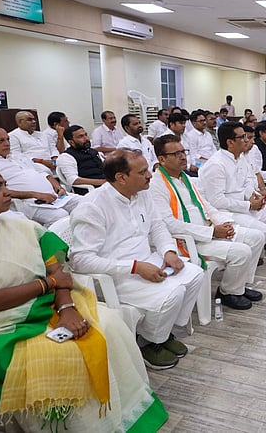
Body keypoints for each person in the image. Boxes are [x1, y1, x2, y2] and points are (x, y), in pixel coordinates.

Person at [0, 162, 168, 431]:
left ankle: (124, 415)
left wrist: (68, 308)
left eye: (5, 184)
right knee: (60, 353)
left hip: (45, 304)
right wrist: (49, 285)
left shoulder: (19, 226)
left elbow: (58, 267)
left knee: (109, 324)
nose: (8, 192)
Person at [70, 149, 204, 370]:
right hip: (115, 275)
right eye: (142, 172)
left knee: (194, 275)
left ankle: (162, 333)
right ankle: (148, 343)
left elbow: (157, 226)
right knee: (173, 293)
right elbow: (80, 261)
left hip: (148, 261)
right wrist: (134, 267)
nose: (150, 175)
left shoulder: (141, 193)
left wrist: (169, 252)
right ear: (121, 178)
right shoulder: (93, 207)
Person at [150, 135, 265, 309]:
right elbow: (169, 224)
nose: (183, 156)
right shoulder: (156, 185)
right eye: (176, 154)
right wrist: (212, 232)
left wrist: (224, 223)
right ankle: (228, 292)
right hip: (187, 241)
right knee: (241, 252)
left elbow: (206, 206)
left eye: (183, 152)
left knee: (256, 237)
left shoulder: (185, 178)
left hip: (208, 229)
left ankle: (239, 286)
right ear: (162, 159)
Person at [0, 128, 80, 225]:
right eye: (1, 141)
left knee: (86, 203)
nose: (7, 144)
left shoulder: (17, 156)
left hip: (54, 196)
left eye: (8, 139)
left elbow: (45, 174)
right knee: (60, 216)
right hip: (26, 202)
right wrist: (35, 194)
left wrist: (59, 188)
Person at [198, 122, 266, 235]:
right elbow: (217, 201)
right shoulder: (216, 165)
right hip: (226, 211)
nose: (247, 140)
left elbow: (246, 183)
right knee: (261, 230)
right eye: (243, 137)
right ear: (230, 142)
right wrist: (249, 205)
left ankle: (258, 246)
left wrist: (256, 197)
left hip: (243, 204)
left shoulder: (240, 157)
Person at [56, 125, 107, 193]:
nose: (86, 139)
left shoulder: (93, 151)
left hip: (107, 186)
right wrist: (102, 182)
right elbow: (73, 180)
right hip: (90, 190)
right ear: (71, 142)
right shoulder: (66, 157)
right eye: (81, 136)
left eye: (86, 135)